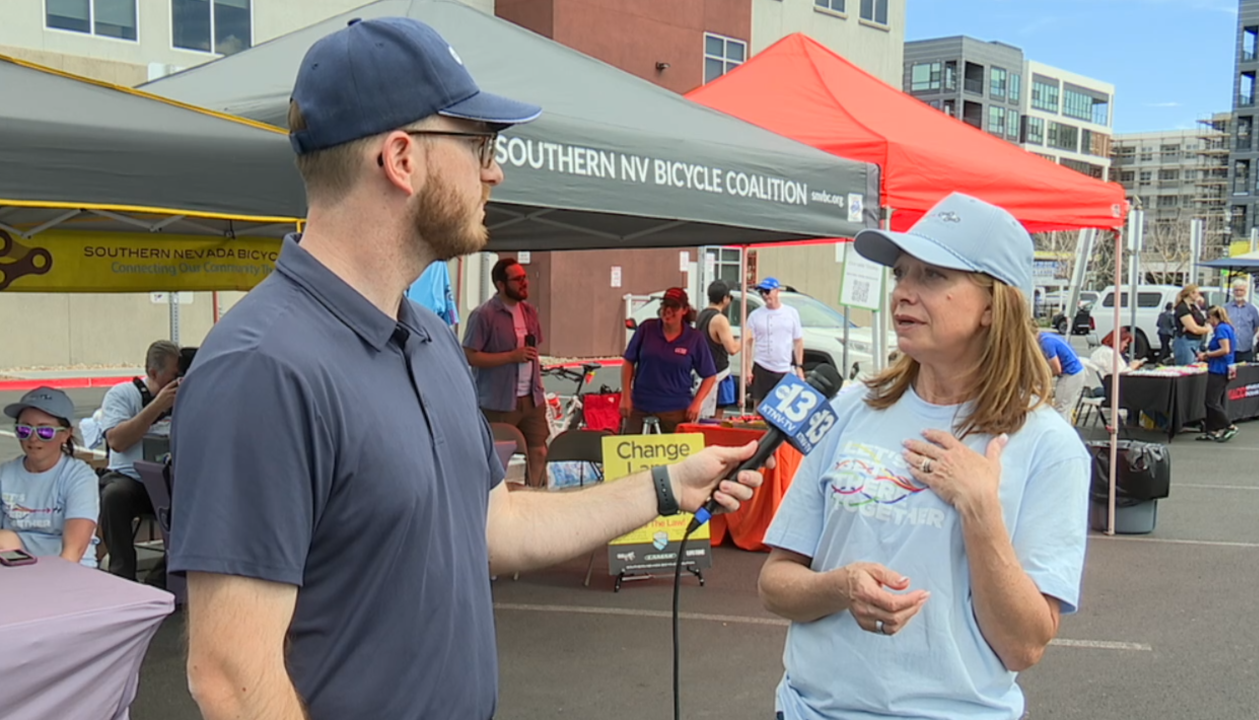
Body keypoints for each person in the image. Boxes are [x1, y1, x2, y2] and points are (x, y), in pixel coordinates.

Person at [166, 18, 764, 720]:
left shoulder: (427, 337)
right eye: (479, 143)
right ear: (401, 158)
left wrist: (666, 486)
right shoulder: (263, 367)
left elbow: (496, 524)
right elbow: (231, 678)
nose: (495, 169)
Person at [758, 193, 1089, 720]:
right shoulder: (849, 408)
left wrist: (981, 510)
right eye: (900, 274)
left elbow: (1025, 646)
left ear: (992, 305)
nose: (903, 294)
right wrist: (840, 587)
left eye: (932, 276)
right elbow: (776, 584)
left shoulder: (1047, 445)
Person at [98, 339, 181, 580]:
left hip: (172, 480)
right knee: (114, 496)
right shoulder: (123, 394)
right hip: (131, 479)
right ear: (153, 373)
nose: (177, 382)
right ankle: (122, 573)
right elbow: (117, 441)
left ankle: (161, 578)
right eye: (172, 376)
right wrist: (158, 406)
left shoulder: (186, 398)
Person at [464, 258, 550, 487]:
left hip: (532, 398)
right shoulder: (483, 315)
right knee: (495, 457)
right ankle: (496, 503)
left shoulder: (530, 311)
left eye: (526, 277)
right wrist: (511, 357)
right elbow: (469, 356)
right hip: (498, 401)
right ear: (501, 285)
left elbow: (533, 350)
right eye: (518, 279)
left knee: (539, 451)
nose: (525, 283)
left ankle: (534, 500)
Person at [0, 387, 99, 567]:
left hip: (70, 571)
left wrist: (50, 587)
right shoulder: (4, 474)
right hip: (17, 570)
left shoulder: (79, 477)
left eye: (45, 431)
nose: (33, 438)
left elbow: (73, 551)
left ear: (66, 434)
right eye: (24, 430)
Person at [621, 287, 717, 433]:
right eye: (665, 305)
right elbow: (628, 362)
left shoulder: (694, 338)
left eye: (674, 306)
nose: (668, 310)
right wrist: (625, 396)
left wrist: (697, 403)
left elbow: (709, 375)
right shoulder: (647, 329)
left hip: (676, 411)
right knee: (632, 454)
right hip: (640, 407)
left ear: (684, 310)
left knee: (675, 456)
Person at [745, 277, 804, 405]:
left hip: (783, 367)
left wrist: (799, 366)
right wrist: (748, 369)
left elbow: (798, 341)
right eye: (762, 293)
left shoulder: (791, 313)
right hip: (762, 365)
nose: (765, 296)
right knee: (759, 405)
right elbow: (748, 342)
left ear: (777, 291)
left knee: (782, 405)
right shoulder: (755, 315)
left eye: (767, 291)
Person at [695, 279, 741, 419]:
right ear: (724, 298)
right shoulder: (719, 319)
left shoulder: (701, 316)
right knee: (715, 418)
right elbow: (732, 348)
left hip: (702, 371)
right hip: (718, 374)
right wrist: (746, 337)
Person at [1197, 306, 1238, 443]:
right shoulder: (1228, 327)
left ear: (1213, 317)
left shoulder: (1221, 329)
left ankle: (1228, 425)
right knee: (1211, 400)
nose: (1209, 322)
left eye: (1209, 319)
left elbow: (1225, 349)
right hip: (1222, 366)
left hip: (1219, 369)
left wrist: (1207, 354)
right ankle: (1211, 429)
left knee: (1211, 400)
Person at [1038, 329, 1085, 424]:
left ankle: (1062, 434)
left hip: (1070, 374)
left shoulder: (1046, 343)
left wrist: (1042, 378)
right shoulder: (1046, 336)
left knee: (1061, 408)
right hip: (1075, 372)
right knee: (1065, 408)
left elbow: (1056, 368)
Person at [1225, 278, 1259, 364]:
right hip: (1229, 348)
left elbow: (1256, 327)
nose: (1239, 293)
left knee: (1245, 374)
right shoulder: (1225, 308)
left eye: (1241, 290)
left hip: (1246, 349)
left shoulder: (1252, 309)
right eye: (1236, 290)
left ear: (1245, 292)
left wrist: (1248, 336)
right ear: (1233, 291)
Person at [1173, 284, 1211, 366]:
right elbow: (1193, 328)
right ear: (1191, 294)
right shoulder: (1182, 308)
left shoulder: (1193, 306)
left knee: (1195, 366)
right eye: (1197, 293)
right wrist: (1207, 329)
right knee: (1186, 366)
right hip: (1186, 341)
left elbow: (1202, 320)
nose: (1199, 295)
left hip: (1196, 341)